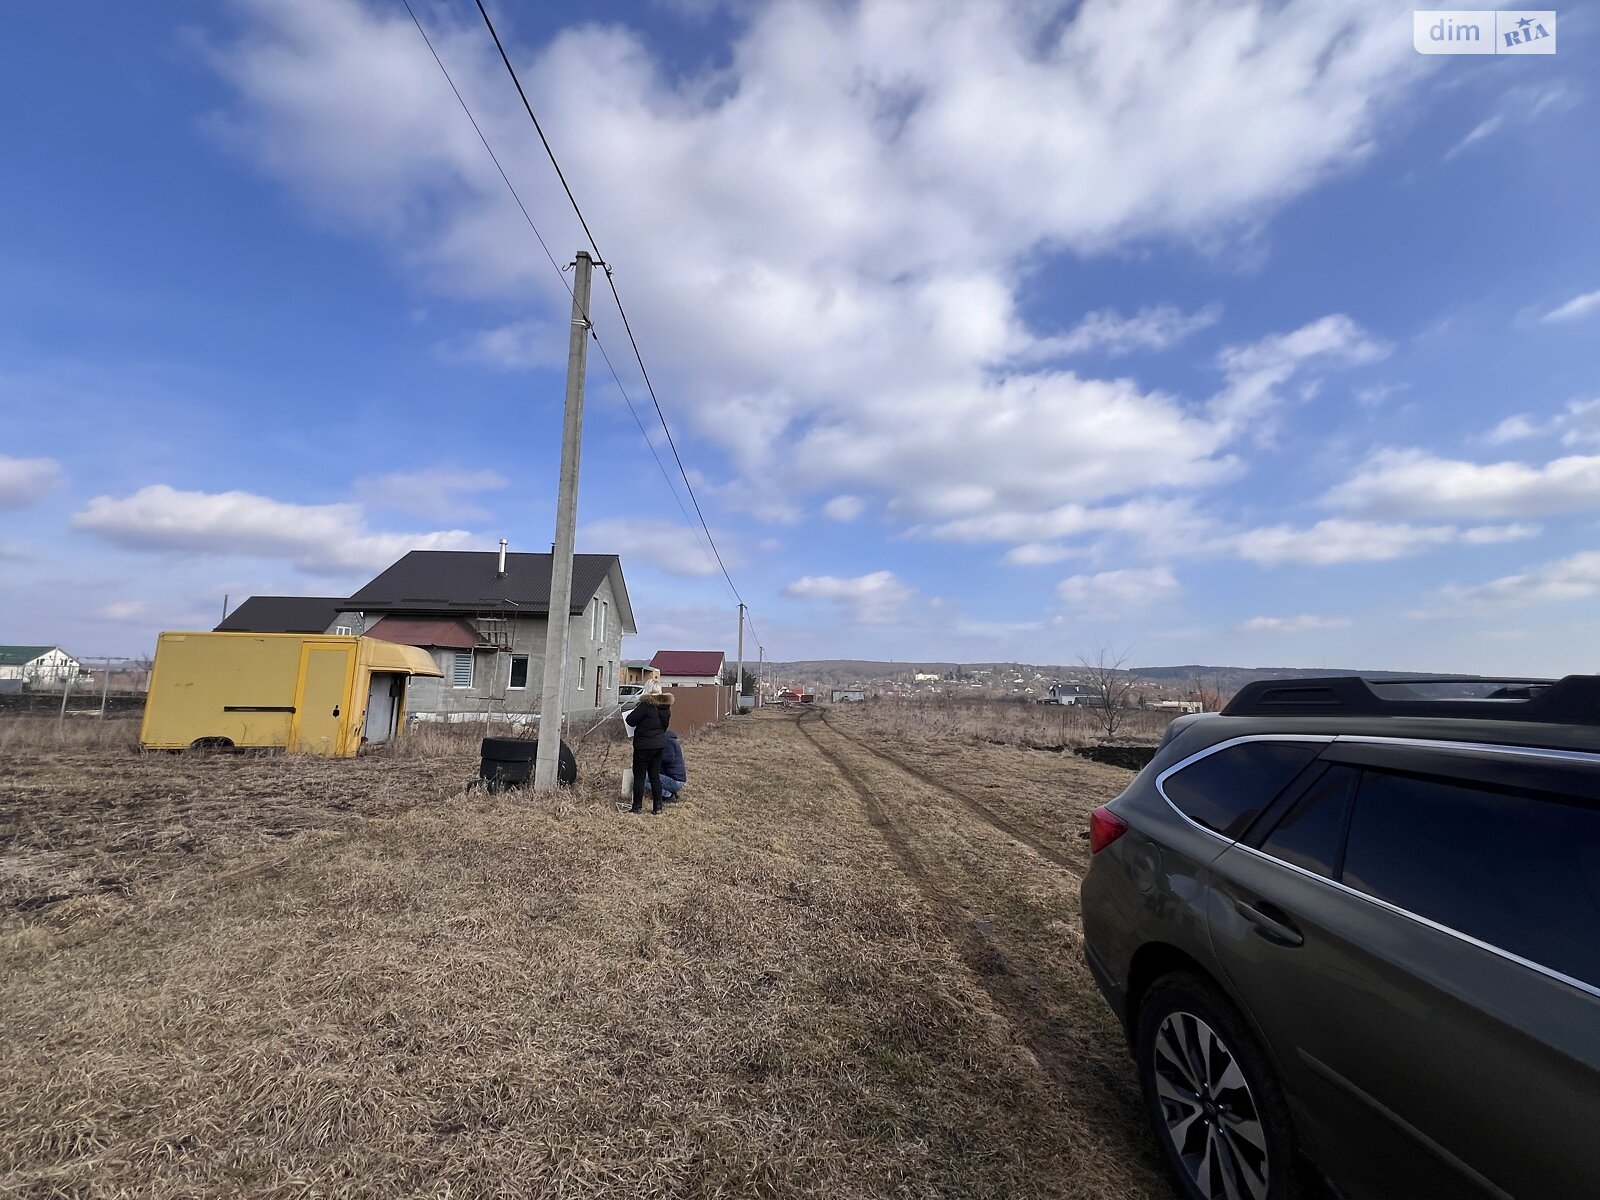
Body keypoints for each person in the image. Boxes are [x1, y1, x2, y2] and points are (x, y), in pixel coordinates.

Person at [624, 691, 673, 814]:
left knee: (639, 776)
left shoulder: (645, 706)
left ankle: (637, 807)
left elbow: (630, 720)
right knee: (655, 776)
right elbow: (664, 727)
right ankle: (658, 807)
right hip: (659, 746)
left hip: (643, 746)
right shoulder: (666, 707)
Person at [654, 729, 687, 803]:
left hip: (675, 780)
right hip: (676, 778)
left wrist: (654, 758)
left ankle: (668, 795)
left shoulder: (667, 741)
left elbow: (669, 759)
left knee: (644, 779)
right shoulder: (669, 739)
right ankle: (671, 791)